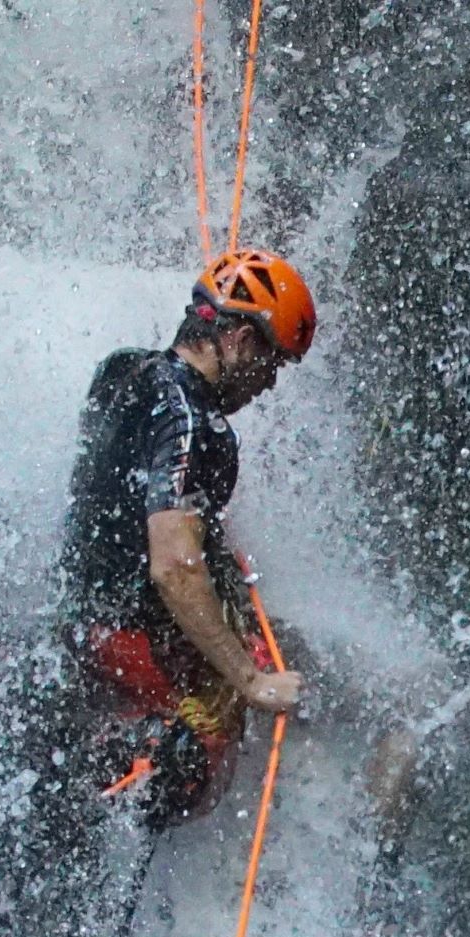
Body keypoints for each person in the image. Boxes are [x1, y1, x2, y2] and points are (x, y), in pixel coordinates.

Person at [59, 248, 316, 829]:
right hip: (132, 641)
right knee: (222, 720)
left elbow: (117, 494)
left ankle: (119, 740)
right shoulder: (193, 423)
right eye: (273, 364)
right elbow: (173, 567)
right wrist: (252, 684)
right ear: (243, 341)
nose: (270, 385)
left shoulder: (123, 369)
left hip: (79, 618)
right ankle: (148, 764)